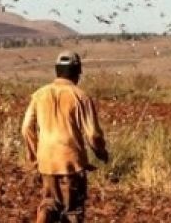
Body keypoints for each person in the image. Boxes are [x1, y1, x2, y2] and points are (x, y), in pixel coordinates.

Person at [21, 51, 109, 223]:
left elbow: (26, 128)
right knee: (72, 211)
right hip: (70, 163)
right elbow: (93, 134)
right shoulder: (80, 96)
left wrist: (34, 157)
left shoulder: (39, 94)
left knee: (49, 203)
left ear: (57, 71)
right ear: (78, 72)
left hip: (46, 161)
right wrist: (100, 151)